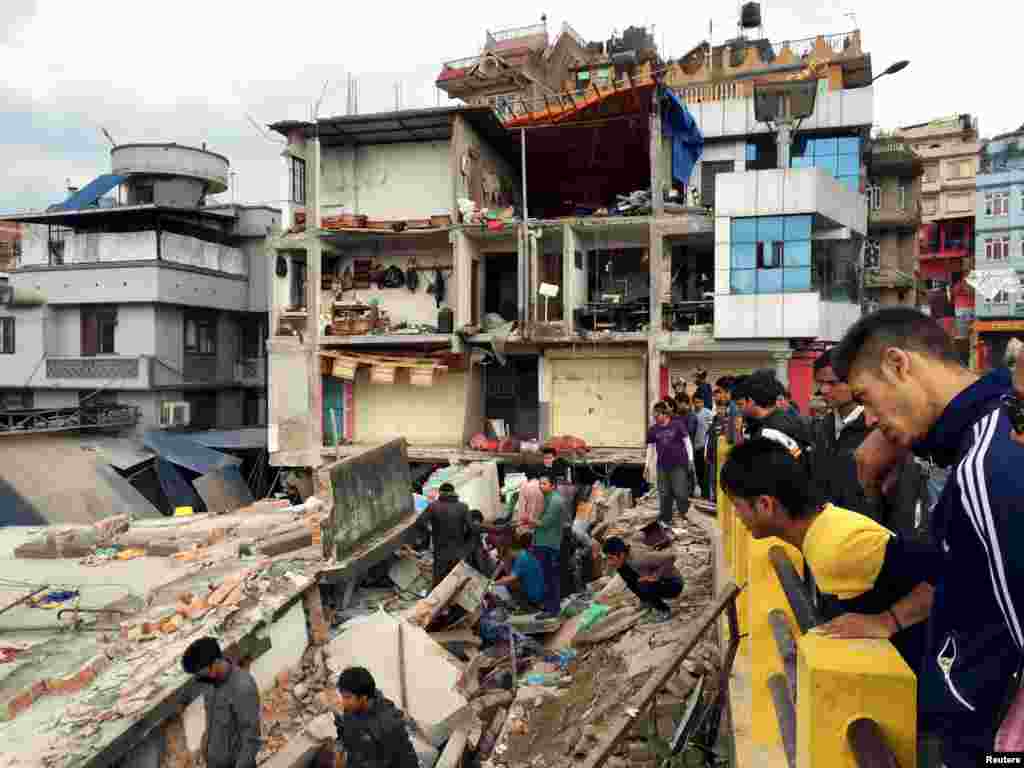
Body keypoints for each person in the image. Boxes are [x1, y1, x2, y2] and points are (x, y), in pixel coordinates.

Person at [832, 307, 1024, 766]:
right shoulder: (988, 433)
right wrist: (890, 622)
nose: (872, 420)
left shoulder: (986, 468)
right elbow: (964, 568)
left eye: (869, 398)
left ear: (900, 365)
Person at [720, 439, 939, 675]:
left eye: (737, 505)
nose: (736, 515)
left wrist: (888, 621)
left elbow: (952, 572)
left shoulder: (840, 546)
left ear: (765, 505)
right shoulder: (822, 528)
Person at [811, 349, 878, 519]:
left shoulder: (880, 430)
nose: (824, 390)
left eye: (833, 383)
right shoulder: (821, 428)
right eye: (820, 383)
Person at [182, 637, 262, 768]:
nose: (197, 677)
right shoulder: (209, 683)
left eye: (199, 672)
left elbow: (251, 739)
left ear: (214, 665)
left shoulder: (242, 687)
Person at [333, 666, 420, 768]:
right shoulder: (351, 708)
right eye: (343, 696)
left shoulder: (388, 723)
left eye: (347, 697)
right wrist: (339, 749)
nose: (343, 702)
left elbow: (404, 761)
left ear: (364, 698)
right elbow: (343, 730)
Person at [600, 536, 684, 624]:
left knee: (643, 584)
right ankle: (646, 600)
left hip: (673, 584)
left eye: (611, 558)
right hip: (658, 581)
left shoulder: (639, 558)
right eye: (608, 558)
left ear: (621, 554)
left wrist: (655, 576)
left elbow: (671, 557)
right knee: (622, 570)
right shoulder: (625, 555)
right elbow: (640, 535)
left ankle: (664, 610)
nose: (609, 562)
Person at [732, 369, 815, 456]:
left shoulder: (771, 431)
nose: (739, 409)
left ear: (751, 400)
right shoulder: (772, 422)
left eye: (740, 404)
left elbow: (797, 456)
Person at [523, 474, 567, 619]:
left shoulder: (555, 501)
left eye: (544, 484)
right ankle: (550, 607)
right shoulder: (547, 498)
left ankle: (552, 610)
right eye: (540, 484)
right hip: (543, 542)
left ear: (552, 485)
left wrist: (529, 520)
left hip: (548, 544)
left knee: (549, 577)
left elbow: (544, 523)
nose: (541, 486)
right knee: (547, 576)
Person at [645, 401, 692, 529]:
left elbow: (687, 442)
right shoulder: (653, 430)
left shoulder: (677, 425)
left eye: (657, 415)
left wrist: (691, 459)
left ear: (665, 414)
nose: (655, 418)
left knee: (680, 492)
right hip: (662, 465)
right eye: (654, 416)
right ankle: (666, 518)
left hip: (679, 464)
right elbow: (650, 447)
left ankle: (685, 515)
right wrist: (647, 465)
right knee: (664, 493)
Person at [418, 482, 472, 588]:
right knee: (457, 581)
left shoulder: (433, 506)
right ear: (454, 492)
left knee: (438, 581)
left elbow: (420, 522)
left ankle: (436, 602)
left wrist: (431, 532)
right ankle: (456, 602)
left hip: (440, 550)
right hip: (458, 550)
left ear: (440, 493)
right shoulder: (463, 507)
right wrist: (464, 539)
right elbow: (471, 527)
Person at [492, 535, 546, 609]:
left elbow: (510, 579)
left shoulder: (521, 559)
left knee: (509, 583)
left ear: (509, 551)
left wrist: (492, 584)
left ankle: (525, 605)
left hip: (535, 595)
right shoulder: (525, 553)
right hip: (541, 590)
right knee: (510, 581)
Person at [691, 394, 714, 496]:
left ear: (703, 402)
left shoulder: (708, 413)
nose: (698, 404)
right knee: (696, 471)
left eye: (699, 402)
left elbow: (711, 429)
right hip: (693, 447)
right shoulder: (692, 413)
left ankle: (705, 494)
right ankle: (698, 492)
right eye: (696, 402)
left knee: (704, 472)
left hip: (703, 446)